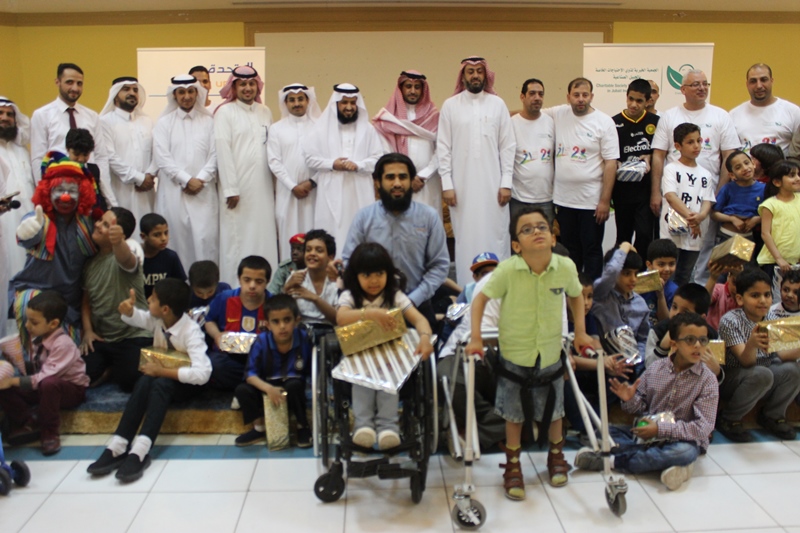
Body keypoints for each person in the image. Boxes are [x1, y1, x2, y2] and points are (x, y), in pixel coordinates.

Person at [467, 206, 592, 497]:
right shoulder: (507, 271)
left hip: (550, 352)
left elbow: (576, 295)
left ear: (552, 236)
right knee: (514, 415)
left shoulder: (565, 267)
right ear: (516, 245)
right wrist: (476, 337)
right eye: (527, 229)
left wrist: (581, 332)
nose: (536, 231)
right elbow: (480, 300)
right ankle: (513, 465)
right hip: (514, 355)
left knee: (555, 410)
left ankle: (556, 457)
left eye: (542, 227)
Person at [575, 313, 719, 491]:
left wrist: (660, 429)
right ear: (674, 344)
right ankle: (670, 464)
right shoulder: (656, 368)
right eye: (690, 340)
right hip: (648, 433)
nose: (698, 345)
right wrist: (629, 399)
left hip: (683, 440)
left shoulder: (708, 380)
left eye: (703, 340)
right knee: (601, 432)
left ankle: (613, 460)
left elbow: (703, 428)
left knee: (684, 452)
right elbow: (640, 407)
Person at [87, 278, 211, 482]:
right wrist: (129, 312)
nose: (148, 301)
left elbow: (202, 374)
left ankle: (141, 450)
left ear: (165, 309)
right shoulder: (159, 320)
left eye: (152, 299)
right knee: (145, 381)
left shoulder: (191, 331)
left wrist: (162, 371)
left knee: (161, 383)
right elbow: (140, 318)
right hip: (162, 375)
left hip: (187, 385)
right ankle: (119, 444)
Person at [338, 242, 434, 450]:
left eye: (379, 274)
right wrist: (371, 313)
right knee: (362, 379)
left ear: (388, 274)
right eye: (367, 275)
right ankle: (363, 426)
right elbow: (341, 317)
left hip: (390, 359)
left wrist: (425, 338)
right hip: (360, 358)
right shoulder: (350, 296)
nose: (374, 281)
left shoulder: (395, 296)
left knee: (389, 378)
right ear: (356, 276)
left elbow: (419, 320)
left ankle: (388, 428)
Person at [651, 69, 740, 284]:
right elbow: (659, 156)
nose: (701, 88)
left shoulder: (720, 115)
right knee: (670, 258)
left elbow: (728, 156)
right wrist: (655, 192)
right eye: (695, 84)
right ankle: (664, 299)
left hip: (704, 202)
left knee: (696, 256)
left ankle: (696, 294)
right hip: (675, 207)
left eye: (704, 83)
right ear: (683, 89)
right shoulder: (669, 116)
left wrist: (713, 202)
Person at [343, 153, 449, 324]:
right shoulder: (363, 218)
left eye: (403, 177)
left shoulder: (429, 217)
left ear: (412, 181)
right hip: (373, 311)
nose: (397, 183)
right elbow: (349, 262)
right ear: (378, 182)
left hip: (418, 306)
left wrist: (411, 301)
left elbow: (439, 265)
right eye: (390, 177)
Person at [438, 56, 515, 286]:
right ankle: (467, 291)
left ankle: (499, 290)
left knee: (496, 235)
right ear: (462, 76)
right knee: (466, 238)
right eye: (470, 71)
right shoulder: (450, 106)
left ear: (486, 75)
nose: (475, 76)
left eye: (479, 71)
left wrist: (506, 183)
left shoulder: (497, 104)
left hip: (494, 187)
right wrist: (447, 185)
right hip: (461, 188)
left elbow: (508, 146)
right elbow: (443, 147)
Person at [11, 158, 99, 354]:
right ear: (47, 192)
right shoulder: (39, 218)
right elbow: (27, 234)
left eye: (72, 191)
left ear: (82, 193)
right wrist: (27, 231)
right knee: (28, 304)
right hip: (38, 292)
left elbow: (106, 244)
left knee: (70, 354)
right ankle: (30, 361)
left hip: (72, 303)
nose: (65, 197)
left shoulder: (88, 222)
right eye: (59, 190)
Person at [546, 77, 619, 280]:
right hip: (563, 200)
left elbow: (611, 164)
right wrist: (502, 114)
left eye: (585, 95)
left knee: (592, 249)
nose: (580, 99)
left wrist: (605, 201)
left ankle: (592, 293)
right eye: (576, 95)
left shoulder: (604, 122)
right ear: (568, 96)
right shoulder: (558, 114)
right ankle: (572, 291)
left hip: (591, 202)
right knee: (570, 250)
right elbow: (530, 113)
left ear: (591, 96)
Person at [0, 291, 89, 455]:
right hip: (42, 386)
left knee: (49, 383)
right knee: (4, 387)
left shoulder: (63, 344)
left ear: (53, 324)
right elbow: (36, 369)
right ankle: (28, 420)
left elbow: (45, 376)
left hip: (70, 390)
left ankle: (49, 431)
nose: (27, 326)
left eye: (33, 322)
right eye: (27, 320)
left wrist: (14, 381)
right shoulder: (38, 338)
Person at [717, 268, 800, 442]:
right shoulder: (730, 321)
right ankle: (729, 418)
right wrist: (752, 344)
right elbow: (746, 362)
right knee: (762, 374)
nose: (763, 300)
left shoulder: (771, 317)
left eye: (767, 295)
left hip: (763, 376)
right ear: (740, 299)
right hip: (733, 379)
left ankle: (772, 415)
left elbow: (784, 355)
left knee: (793, 369)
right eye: (755, 295)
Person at [214, 65, 278, 282]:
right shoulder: (225, 112)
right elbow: (223, 150)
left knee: (264, 234)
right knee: (237, 239)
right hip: (237, 189)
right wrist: (231, 188)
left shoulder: (265, 111)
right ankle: (235, 286)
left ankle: (266, 285)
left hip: (263, 188)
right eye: (242, 84)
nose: (248, 88)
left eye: (251, 84)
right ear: (234, 87)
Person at [304, 83, 384, 251]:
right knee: (332, 231)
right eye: (344, 103)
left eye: (353, 103)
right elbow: (310, 158)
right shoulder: (320, 129)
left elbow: (378, 158)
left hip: (360, 190)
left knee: (360, 230)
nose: (349, 107)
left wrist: (359, 165)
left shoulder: (368, 129)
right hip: (330, 190)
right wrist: (332, 164)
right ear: (336, 104)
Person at [81, 207, 151, 391]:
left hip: (133, 336)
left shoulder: (127, 256)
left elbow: (126, 259)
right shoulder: (90, 264)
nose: (98, 225)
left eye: (106, 225)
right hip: (104, 339)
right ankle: (112, 367)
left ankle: (118, 368)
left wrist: (118, 242)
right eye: (100, 221)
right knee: (82, 377)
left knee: (130, 382)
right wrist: (88, 331)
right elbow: (86, 302)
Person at [153, 74, 218, 268]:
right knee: (177, 241)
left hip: (204, 193)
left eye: (190, 92)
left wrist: (201, 179)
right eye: (181, 92)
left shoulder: (209, 121)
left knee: (205, 241)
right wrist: (187, 180)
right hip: (174, 193)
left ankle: (205, 284)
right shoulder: (164, 123)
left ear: (197, 93)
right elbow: (162, 158)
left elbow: (216, 154)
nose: (187, 96)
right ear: (174, 95)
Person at [233, 294, 313, 448]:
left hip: (292, 390)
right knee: (242, 390)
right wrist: (269, 389)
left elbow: (312, 370)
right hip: (266, 388)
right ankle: (259, 428)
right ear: (268, 324)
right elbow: (250, 375)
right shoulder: (261, 341)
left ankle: (302, 426)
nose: (282, 326)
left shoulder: (303, 338)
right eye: (276, 321)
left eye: (287, 320)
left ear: (296, 320)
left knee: (295, 385)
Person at [29, 63, 115, 205]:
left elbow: (101, 157)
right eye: (69, 82)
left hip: (89, 187)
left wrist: (107, 196)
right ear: (57, 82)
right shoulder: (42, 115)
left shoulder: (92, 116)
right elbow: (38, 158)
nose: (75, 88)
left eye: (79, 83)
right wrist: (44, 194)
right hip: (59, 190)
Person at [373, 70, 442, 217]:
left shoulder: (434, 117)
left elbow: (442, 149)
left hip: (427, 182)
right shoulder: (389, 118)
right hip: (398, 182)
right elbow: (385, 151)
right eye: (408, 86)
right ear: (401, 89)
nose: (413, 91)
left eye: (417, 87)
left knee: (428, 222)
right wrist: (406, 176)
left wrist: (423, 176)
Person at [268, 84, 321, 260]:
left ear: (308, 101)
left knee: (314, 236)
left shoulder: (319, 127)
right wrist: (292, 186)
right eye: (292, 100)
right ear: (285, 103)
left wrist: (312, 182)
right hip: (287, 194)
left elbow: (326, 160)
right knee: (287, 237)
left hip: (314, 193)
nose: (297, 103)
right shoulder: (276, 129)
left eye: (300, 99)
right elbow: (274, 161)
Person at [659, 123, 716, 286]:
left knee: (685, 275)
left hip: (695, 233)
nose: (696, 146)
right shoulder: (671, 169)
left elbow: (707, 200)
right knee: (668, 274)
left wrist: (700, 217)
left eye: (699, 141)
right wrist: (693, 220)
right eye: (690, 142)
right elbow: (671, 196)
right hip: (673, 230)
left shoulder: (705, 174)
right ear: (678, 146)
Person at [205, 255, 272, 390]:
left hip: (260, 358)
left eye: (259, 281)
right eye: (247, 280)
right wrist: (217, 335)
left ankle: (246, 385)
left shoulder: (274, 303)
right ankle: (251, 384)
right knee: (213, 364)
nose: (252, 286)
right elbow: (209, 320)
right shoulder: (224, 298)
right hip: (229, 358)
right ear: (239, 279)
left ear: (267, 282)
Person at [99, 76, 157, 225]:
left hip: (147, 192)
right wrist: (139, 178)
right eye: (126, 89)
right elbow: (110, 157)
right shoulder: (105, 122)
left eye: (135, 90)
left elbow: (157, 152)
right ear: (115, 95)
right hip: (121, 191)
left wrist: (150, 175)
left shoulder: (147, 121)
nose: (132, 93)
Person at [612, 79, 660, 257]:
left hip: (645, 192)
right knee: (623, 238)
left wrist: (650, 157)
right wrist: (615, 162)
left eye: (639, 101)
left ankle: (641, 271)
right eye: (631, 99)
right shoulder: (613, 123)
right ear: (626, 97)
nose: (633, 104)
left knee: (645, 235)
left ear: (648, 101)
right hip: (622, 191)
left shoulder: (656, 122)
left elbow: (663, 154)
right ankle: (621, 271)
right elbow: (607, 156)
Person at [592, 242, 650, 372]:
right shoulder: (602, 295)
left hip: (633, 366)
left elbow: (643, 339)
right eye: (627, 273)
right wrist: (625, 246)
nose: (633, 279)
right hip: (604, 363)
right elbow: (612, 271)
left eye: (636, 274)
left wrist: (636, 360)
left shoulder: (640, 304)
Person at [729, 63, 800, 157]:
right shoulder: (734, 115)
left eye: (763, 80)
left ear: (772, 81)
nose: (759, 85)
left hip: (780, 166)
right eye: (753, 81)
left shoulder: (793, 112)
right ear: (747, 84)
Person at [510, 78, 555, 222]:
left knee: (544, 236)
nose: (537, 98)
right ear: (522, 97)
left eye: (540, 94)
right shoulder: (511, 124)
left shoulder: (551, 122)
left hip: (546, 199)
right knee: (518, 236)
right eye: (532, 93)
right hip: (518, 199)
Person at [0, 97, 35, 281]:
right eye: (0, 113)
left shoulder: (22, 150)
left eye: (10, 114)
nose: (5, 118)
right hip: (4, 222)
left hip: (28, 217)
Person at [756, 160, 800, 288]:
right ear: (777, 182)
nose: (798, 178)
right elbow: (765, 234)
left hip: (795, 260)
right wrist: (779, 258)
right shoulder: (770, 205)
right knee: (774, 295)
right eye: (792, 175)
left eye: (798, 174)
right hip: (774, 261)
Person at [282, 228, 338, 326]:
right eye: (308, 250)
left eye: (319, 250)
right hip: (301, 331)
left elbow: (338, 319)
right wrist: (286, 289)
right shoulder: (295, 278)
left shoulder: (337, 281)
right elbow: (283, 315)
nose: (312, 254)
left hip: (332, 331)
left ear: (330, 257)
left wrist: (314, 298)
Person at [712, 151, 765, 241]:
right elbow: (714, 214)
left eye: (746, 163)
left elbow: (772, 213)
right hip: (726, 235)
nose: (745, 168)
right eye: (738, 167)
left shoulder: (764, 188)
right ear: (732, 175)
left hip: (749, 237)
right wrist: (732, 219)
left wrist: (757, 219)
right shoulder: (728, 188)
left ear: (753, 164)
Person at [139, 212, 186, 298]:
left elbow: (180, 286)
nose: (164, 238)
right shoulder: (134, 257)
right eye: (157, 235)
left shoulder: (171, 257)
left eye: (166, 233)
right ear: (143, 236)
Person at [64, 128, 108, 211]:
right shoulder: (57, 170)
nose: (80, 159)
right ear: (67, 149)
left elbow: (98, 197)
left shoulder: (93, 170)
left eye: (85, 155)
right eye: (76, 154)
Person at [643, 238, 679, 326]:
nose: (667, 269)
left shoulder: (674, 290)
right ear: (649, 265)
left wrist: (661, 296)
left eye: (671, 264)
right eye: (661, 264)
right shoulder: (638, 283)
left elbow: (666, 323)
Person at [704, 262, 743, 331]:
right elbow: (703, 301)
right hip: (712, 333)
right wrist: (713, 278)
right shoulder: (719, 289)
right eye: (734, 283)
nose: (736, 289)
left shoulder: (747, 297)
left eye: (741, 285)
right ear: (728, 277)